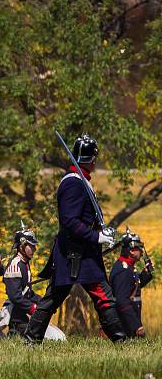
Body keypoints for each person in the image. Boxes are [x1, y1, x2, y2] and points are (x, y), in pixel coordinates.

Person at [24, 134, 127, 343]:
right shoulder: (73, 183)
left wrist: (102, 232)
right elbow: (69, 221)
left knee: (98, 296)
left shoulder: (81, 180)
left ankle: (120, 339)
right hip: (75, 253)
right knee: (62, 297)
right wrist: (96, 236)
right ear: (91, 159)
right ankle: (31, 338)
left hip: (82, 252)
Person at [109, 229, 154, 338]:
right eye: (139, 248)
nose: (142, 252)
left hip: (128, 325)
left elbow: (131, 288)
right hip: (125, 327)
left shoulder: (128, 267)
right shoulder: (123, 270)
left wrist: (146, 274)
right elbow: (122, 301)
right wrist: (136, 326)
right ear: (131, 251)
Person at [1, 225, 41, 336]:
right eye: (31, 246)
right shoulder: (15, 265)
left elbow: (27, 292)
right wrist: (32, 307)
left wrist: (42, 302)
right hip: (16, 318)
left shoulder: (24, 264)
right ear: (22, 247)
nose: (34, 249)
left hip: (22, 315)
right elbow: (15, 296)